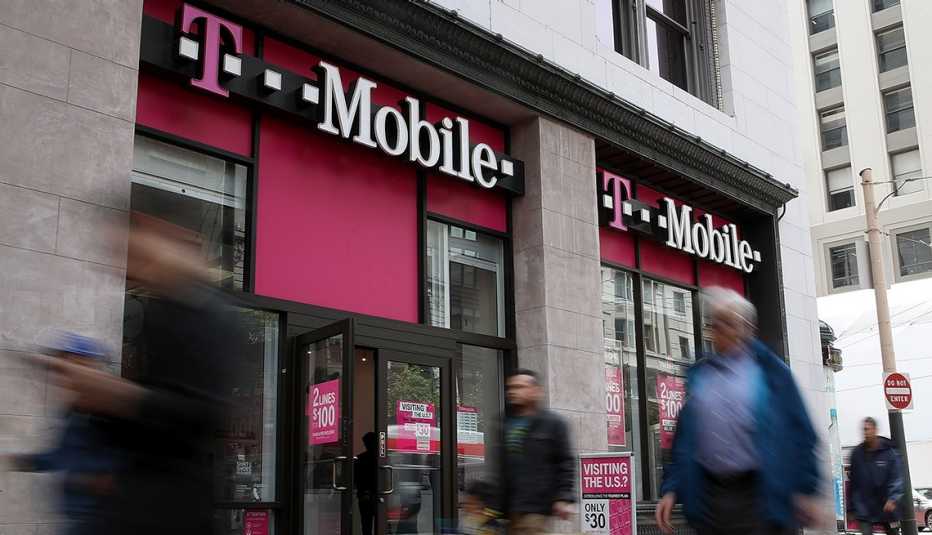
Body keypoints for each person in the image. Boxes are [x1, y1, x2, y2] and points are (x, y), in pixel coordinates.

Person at [36, 212, 241, 535]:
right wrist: (103, 407)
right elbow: (146, 424)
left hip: (166, 507)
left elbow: (204, 415)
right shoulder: (161, 312)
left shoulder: (209, 314)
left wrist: (119, 397)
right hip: (134, 501)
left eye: (134, 253)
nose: (129, 269)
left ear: (164, 237)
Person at [654, 287, 824, 535]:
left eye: (728, 322)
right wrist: (671, 489)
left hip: (760, 496)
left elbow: (801, 432)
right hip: (710, 499)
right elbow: (684, 443)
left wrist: (806, 488)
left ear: (746, 328)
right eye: (715, 323)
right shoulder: (700, 377)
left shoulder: (772, 374)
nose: (720, 329)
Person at [4, 332, 120, 535]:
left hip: (100, 520)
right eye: (61, 367)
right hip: (76, 519)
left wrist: (85, 479)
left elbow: (119, 472)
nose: (63, 376)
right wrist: (14, 461)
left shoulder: (111, 411)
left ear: (90, 366)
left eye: (71, 365)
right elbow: (60, 457)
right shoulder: (75, 412)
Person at [493, 369, 575, 535]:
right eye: (511, 387)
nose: (512, 391)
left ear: (535, 391)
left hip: (536, 507)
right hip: (509, 508)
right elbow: (500, 468)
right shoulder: (504, 423)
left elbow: (565, 462)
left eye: (519, 387)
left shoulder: (553, 423)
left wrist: (563, 497)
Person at [848, 417, 904, 535]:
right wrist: (850, 508)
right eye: (864, 429)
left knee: (893, 532)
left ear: (875, 430)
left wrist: (893, 498)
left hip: (886, 506)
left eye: (868, 429)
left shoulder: (889, 452)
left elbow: (896, 477)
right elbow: (853, 483)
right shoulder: (857, 454)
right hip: (864, 508)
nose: (866, 432)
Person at [355, 432, 379, 535]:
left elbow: (356, 479)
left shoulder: (360, 458)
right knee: (382, 524)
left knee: (366, 525)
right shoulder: (381, 459)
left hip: (365, 495)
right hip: (378, 495)